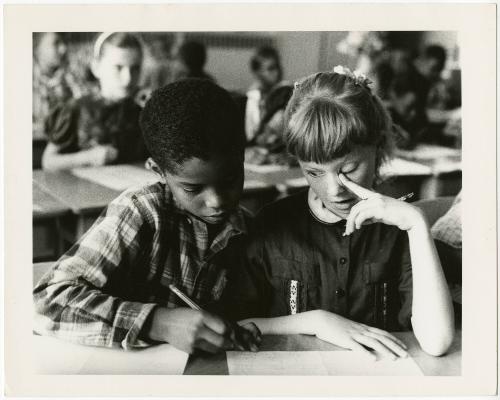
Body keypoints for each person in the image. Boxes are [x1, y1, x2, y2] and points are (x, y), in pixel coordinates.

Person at [222, 66, 455, 358]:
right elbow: (234, 324)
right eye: (314, 172)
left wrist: (417, 223)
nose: (333, 190)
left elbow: (438, 342)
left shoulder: (400, 231)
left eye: (348, 169)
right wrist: (315, 321)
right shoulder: (272, 224)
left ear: (378, 147)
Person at [33, 79, 260, 354]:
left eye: (231, 178)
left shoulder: (247, 229)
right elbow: (46, 302)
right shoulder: (142, 212)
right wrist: (158, 322)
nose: (217, 201)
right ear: (159, 171)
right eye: (192, 188)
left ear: (242, 157)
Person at [41, 32, 148, 171]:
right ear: (96, 67)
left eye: (135, 68)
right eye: (118, 68)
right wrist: (88, 158)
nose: (127, 79)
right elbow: (48, 162)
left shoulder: (144, 108)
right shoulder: (77, 108)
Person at [33, 32, 84, 140]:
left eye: (65, 42)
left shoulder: (69, 77)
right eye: (55, 44)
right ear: (36, 48)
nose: (63, 49)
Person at [245, 46, 283, 143]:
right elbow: (252, 135)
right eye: (270, 68)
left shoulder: (280, 92)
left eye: (278, 67)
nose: (277, 72)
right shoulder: (253, 98)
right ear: (257, 72)